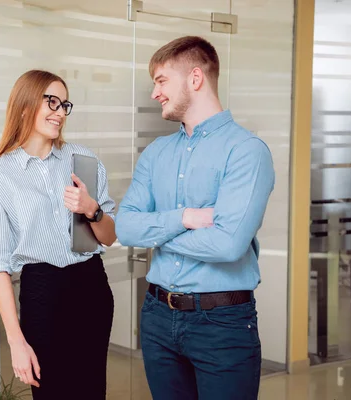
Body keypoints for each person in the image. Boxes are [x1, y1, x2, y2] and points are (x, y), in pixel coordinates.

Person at [115, 36, 275, 400]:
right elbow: (124, 227)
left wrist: (155, 231)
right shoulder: (156, 153)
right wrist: (184, 217)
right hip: (157, 316)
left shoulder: (246, 151)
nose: (155, 93)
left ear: (195, 78)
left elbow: (227, 244)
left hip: (221, 324)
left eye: (161, 80)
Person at [0, 70, 117, 399]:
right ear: (25, 107)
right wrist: (16, 341)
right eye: (50, 101)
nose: (59, 111)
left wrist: (91, 209)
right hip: (43, 292)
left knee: (92, 390)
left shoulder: (83, 159)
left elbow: (109, 236)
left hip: (91, 286)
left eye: (63, 104)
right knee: (52, 392)